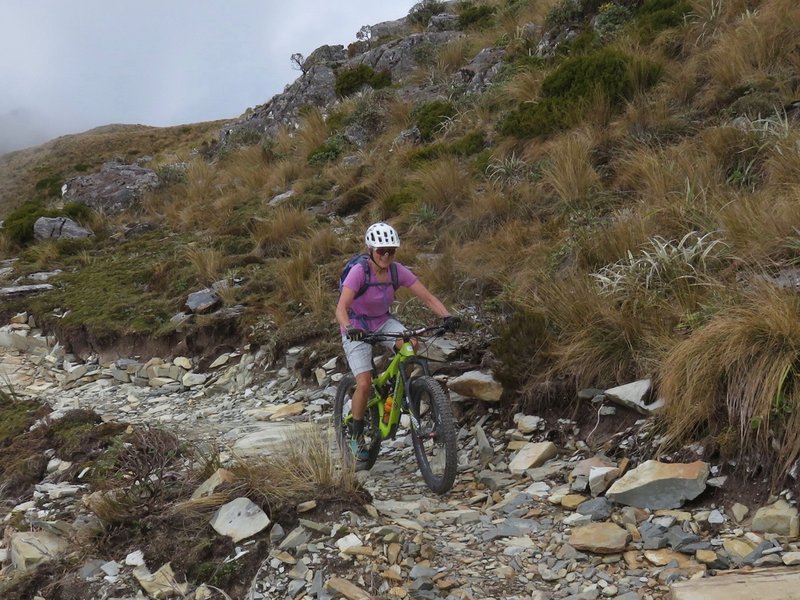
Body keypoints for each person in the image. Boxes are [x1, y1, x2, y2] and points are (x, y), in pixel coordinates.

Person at [335, 222, 460, 460]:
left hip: (383, 321)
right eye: (381, 251)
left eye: (391, 251)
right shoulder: (359, 272)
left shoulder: (396, 270)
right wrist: (350, 329)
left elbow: (428, 297)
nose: (386, 256)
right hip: (356, 325)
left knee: (410, 344)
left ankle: (398, 387)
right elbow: (341, 308)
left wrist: (447, 316)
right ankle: (357, 433)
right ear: (370, 249)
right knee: (363, 384)